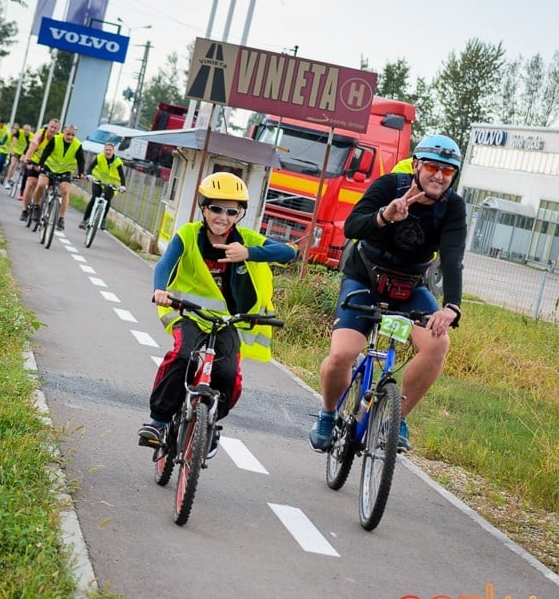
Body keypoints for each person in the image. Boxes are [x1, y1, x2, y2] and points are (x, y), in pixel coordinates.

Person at [309, 134, 467, 454]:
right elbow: (352, 226)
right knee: (341, 356)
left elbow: (452, 258)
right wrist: (385, 216)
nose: (439, 175)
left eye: (447, 171)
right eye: (433, 167)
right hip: (365, 278)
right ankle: (328, 414)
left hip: (409, 286)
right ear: (418, 166)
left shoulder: (453, 207)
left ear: (454, 176)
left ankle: (397, 419)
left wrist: (451, 305)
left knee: (438, 343)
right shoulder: (389, 186)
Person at [138, 171, 298, 458]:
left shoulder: (246, 240)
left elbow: (289, 253)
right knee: (183, 356)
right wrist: (160, 289)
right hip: (188, 313)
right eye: (215, 208)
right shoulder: (188, 234)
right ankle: (159, 422)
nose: (222, 216)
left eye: (231, 211)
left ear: (239, 215)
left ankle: (209, 424)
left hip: (228, 323)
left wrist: (248, 253)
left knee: (226, 374)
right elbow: (164, 265)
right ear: (204, 208)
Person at [34, 124, 85, 231]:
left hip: (64, 172)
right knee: (42, 184)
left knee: (65, 191)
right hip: (50, 167)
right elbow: (46, 152)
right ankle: (36, 206)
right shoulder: (55, 139)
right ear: (63, 132)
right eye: (68, 134)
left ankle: (61, 219)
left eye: (73, 135)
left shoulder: (77, 145)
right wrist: (40, 164)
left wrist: (81, 173)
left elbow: (81, 160)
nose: (70, 137)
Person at [19, 118, 61, 221]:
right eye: (51, 127)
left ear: (58, 129)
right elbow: (32, 147)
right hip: (35, 160)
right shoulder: (40, 134)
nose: (52, 130)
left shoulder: (58, 138)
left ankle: (40, 205)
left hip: (47, 164)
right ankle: (25, 210)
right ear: (48, 126)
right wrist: (28, 161)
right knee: (30, 183)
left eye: (55, 128)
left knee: (45, 186)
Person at [79, 141, 126, 231]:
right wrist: (89, 175)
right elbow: (91, 167)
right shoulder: (100, 157)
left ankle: (103, 219)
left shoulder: (117, 161)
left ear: (113, 151)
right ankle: (84, 220)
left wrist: (123, 186)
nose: (108, 152)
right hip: (98, 181)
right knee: (94, 198)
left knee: (107, 200)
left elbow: (122, 175)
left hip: (111, 184)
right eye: (106, 150)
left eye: (110, 150)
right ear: (104, 150)